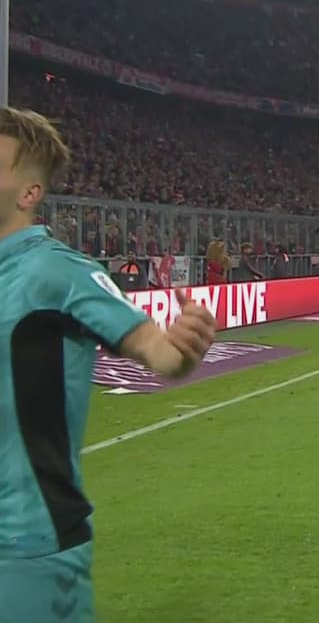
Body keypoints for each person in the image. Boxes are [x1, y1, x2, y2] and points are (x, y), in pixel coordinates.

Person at [0, 107, 217, 622]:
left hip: (26, 548)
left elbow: (158, 351)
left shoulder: (56, 272)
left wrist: (181, 347)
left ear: (29, 193)